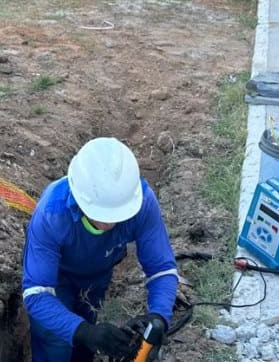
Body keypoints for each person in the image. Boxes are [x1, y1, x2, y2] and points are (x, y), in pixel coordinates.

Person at [22, 137, 180, 361]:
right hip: (56, 277)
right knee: (54, 340)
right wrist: (83, 331)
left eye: (118, 216)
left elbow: (161, 269)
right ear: (80, 198)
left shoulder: (142, 202)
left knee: (86, 339)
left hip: (97, 275)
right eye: (101, 215)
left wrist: (158, 318)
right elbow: (36, 294)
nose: (109, 225)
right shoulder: (51, 214)